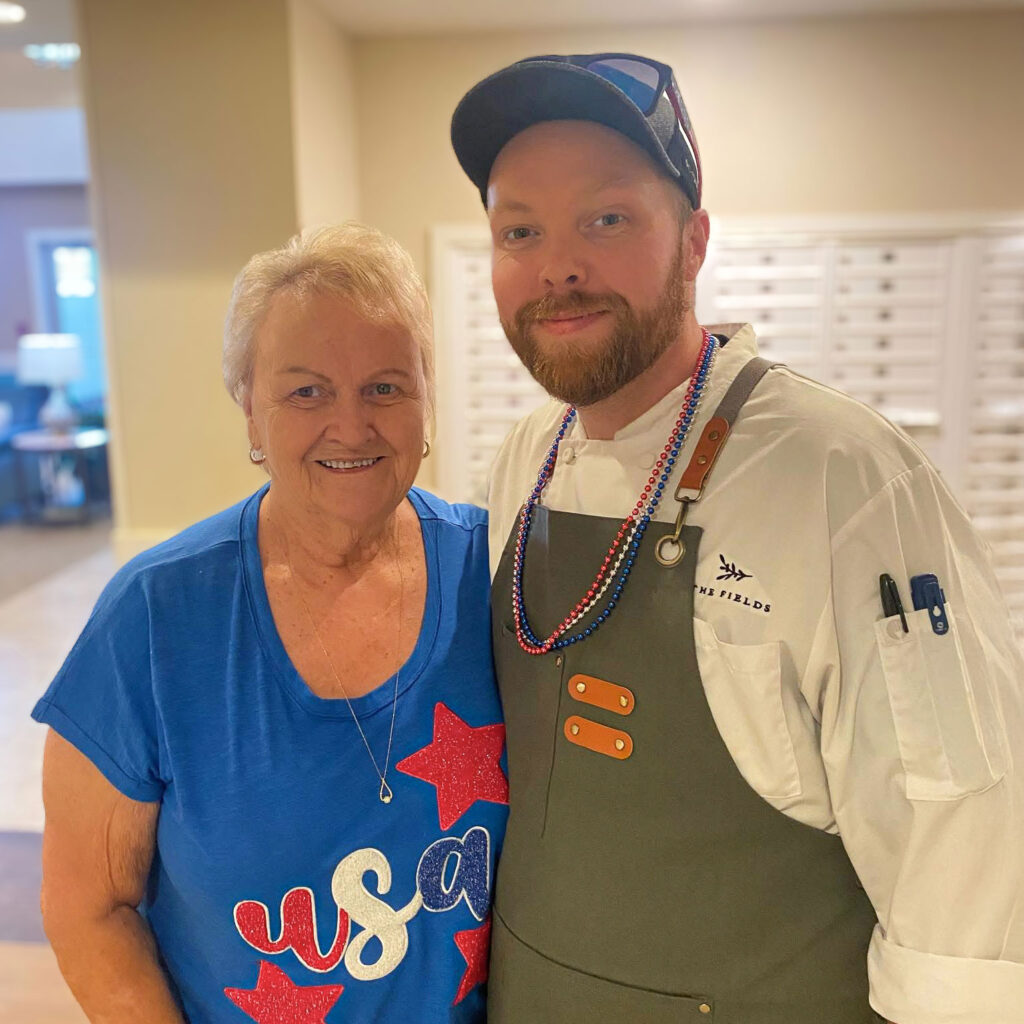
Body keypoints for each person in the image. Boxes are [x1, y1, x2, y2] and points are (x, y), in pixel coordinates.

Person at [450, 53, 1024, 1023]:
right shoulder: (520, 461)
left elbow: (966, 833)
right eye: (519, 230)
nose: (559, 265)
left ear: (694, 240)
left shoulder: (839, 474)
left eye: (607, 218)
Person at [32, 223, 508, 1023]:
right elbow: (88, 906)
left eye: (386, 386)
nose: (352, 426)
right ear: (250, 411)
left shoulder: (494, 574)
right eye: (306, 391)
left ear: (428, 397)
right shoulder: (155, 617)